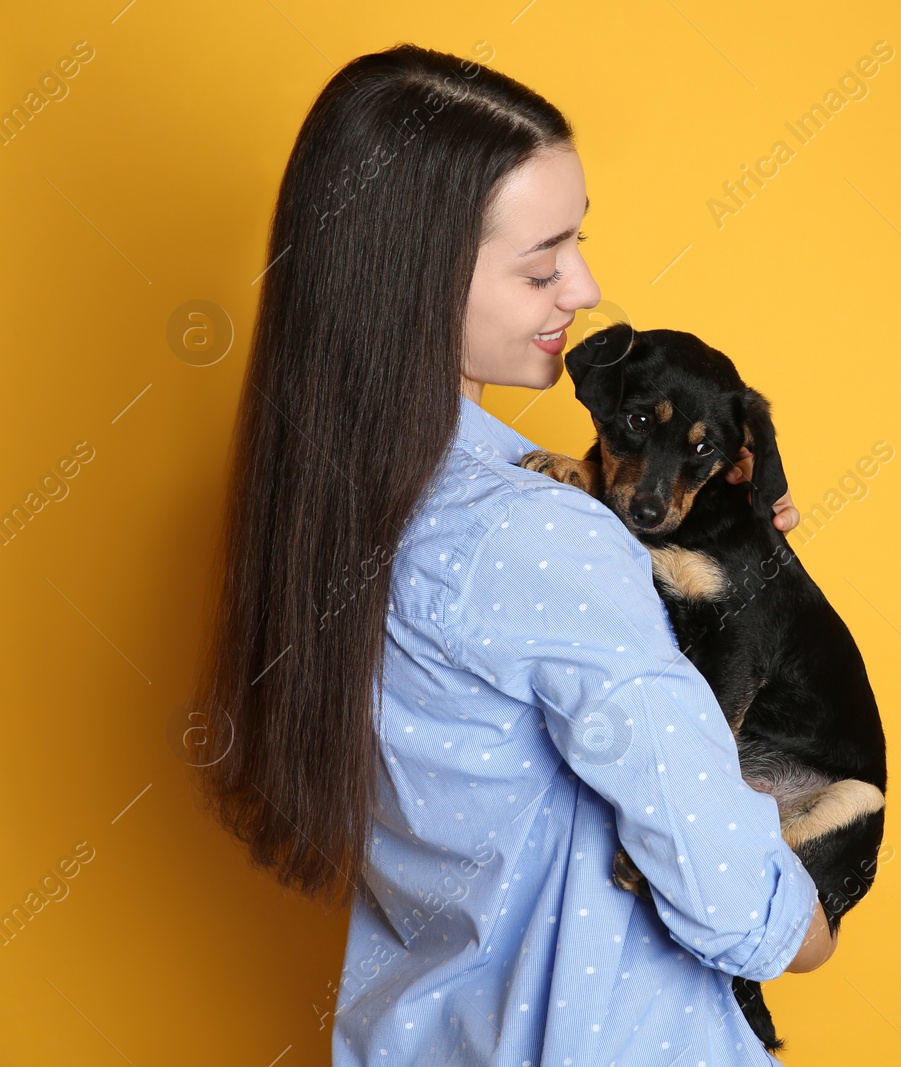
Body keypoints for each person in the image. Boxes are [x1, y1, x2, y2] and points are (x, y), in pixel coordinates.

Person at [193, 43, 835, 1066]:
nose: (582, 288)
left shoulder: (321, 508)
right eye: (541, 264)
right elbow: (722, 874)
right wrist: (798, 922)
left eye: (576, 246)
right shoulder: (530, 531)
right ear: (413, 281)